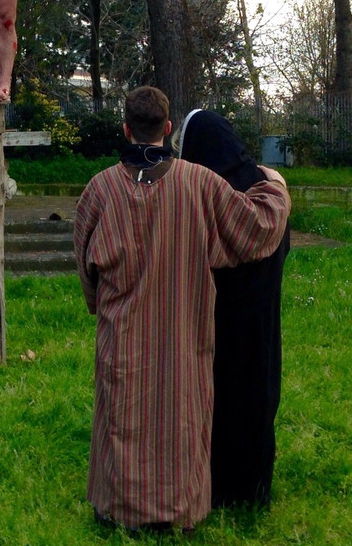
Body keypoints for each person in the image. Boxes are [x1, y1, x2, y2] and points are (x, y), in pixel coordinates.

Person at [74, 86, 291, 534]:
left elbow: (86, 266)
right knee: (180, 415)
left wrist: (100, 303)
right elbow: (258, 225)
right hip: (183, 331)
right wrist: (276, 185)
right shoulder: (202, 183)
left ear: (126, 128)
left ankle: (118, 507)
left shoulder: (97, 191)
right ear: (168, 129)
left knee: (124, 413)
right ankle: (177, 511)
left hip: (123, 333)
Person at [179, 109, 291, 510]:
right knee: (258, 396)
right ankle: (254, 489)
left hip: (217, 322)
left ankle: (217, 488)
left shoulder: (207, 198)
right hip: (263, 321)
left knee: (222, 400)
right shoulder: (270, 192)